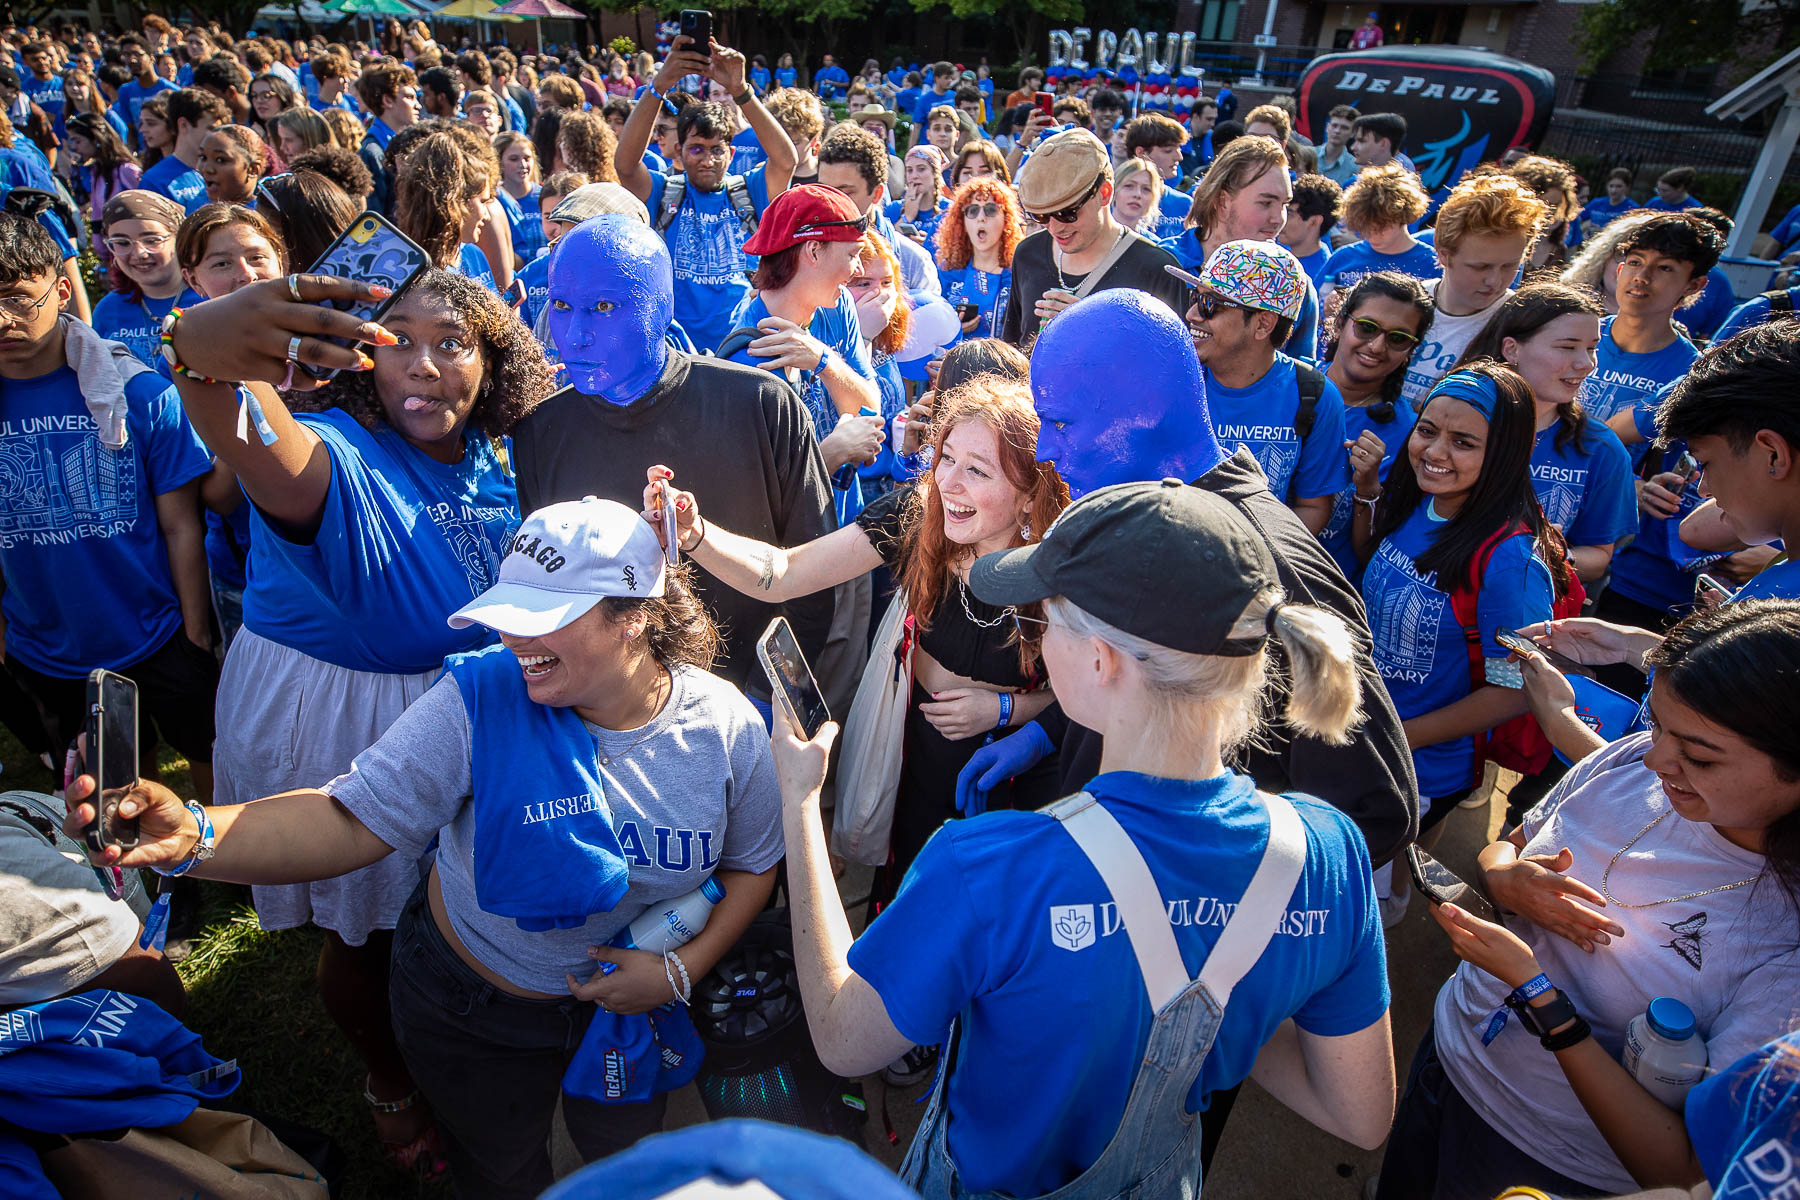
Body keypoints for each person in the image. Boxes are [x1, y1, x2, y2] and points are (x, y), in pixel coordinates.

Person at [67, 496, 782, 1199]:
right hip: (478, 1013)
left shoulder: (723, 729)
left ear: (634, 617)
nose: (514, 640)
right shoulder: (480, 701)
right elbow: (347, 821)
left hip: (636, 1014)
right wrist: (194, 833)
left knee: (624, 1158)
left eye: (543, 617)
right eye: (508, 613)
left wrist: (679, 972)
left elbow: (754, 865)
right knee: (500, 1172)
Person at [771, 476, 1395, 1198]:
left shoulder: (990, 869)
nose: (1034, 633)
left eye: (1045, 616)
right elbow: (1360, 1114)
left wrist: (801, 800)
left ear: (1102, 659)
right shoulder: (1328, 855)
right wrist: (1225, 986)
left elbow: (842, 1037)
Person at [153, 266, 553, 1176]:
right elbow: (254, 436)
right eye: (397, 339)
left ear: (492, 362)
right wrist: (201, 349)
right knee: (367, 932)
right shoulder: (340, 454)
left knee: (455, 910)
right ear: (360, 357)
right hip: (349, 715)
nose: (424, 364)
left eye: (453, 343)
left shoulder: (495, 456)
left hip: (463, 710)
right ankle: (389, 1080)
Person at [1379, 600, 1800, 1200]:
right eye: (1657, 725)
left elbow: (1681, 1170)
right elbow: (1506, 846)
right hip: (1450, 1051)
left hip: (1548, 1160)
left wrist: (1539, 994)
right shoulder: (1630, 762)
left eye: (1699, 756)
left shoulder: (1787, 938)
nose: (1656, 759)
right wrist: (1506, 880)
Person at [515, 214, 837, 702]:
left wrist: (766, 697)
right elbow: (548, 587)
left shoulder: (761, 405)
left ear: (663, 307)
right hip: (601, 714)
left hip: (747, 702)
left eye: (603, 307)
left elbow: (815, 579)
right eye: (561, 305)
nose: (575, 334)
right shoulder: (539, 430)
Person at [0, 214, 218, 805]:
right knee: (105, 785)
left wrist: (195, 631)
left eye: (16, 298)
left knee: (206, 757)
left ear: (60, 291)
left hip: (157, 631)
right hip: (47, 645)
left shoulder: (139, 392)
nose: (3, 320)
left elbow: (180, 523)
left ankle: (214, 856)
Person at [1356, 363, 1569, 862]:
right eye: (1427, 431)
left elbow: (1516, 691)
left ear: (1505, 454)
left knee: (1377, 880)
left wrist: (1400, 737)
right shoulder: (1420, 497)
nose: (1435, 452)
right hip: (1363, 736)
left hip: (1420, 769)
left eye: (1463, 442)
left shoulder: (1510, 562)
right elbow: (1372, 561)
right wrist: (1367, 490)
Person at [615, 34, 796, 353]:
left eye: (717, 150)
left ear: (731, 153)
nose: (707, 160)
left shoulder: (748, 191)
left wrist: (741, 91)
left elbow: (786, 160)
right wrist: (659, 86)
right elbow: (625, 165)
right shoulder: (664, 192)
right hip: (676, 348)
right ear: (679, 151)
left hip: (740, 346)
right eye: (696, 148)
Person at [1458, 284, 1637, 587]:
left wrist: (1546, 555)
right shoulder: (1453, 418)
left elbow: (1598, 556)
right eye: (1567, 347)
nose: (1587, 364)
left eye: (1592, 348)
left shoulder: (1601, 448)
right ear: (1511, 349)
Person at [1177, 241, 1348, 532]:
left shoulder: (1314, 395)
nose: (1192, 313)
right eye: (1195, 297)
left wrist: (1252, 552)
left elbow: (1313, 507)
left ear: (1263, 324)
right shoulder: (1175, 379)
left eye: (1210, 304)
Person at [1000, 130, 1185, 347]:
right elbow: (1011, 350)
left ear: (1104, 193)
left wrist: (1092, 329)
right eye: (1041, 216)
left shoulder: (1157, 270)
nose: (1055, 228)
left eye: (1067, 213)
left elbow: (1173, 362)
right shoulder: (1028, 253)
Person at [1164, 136, 1322, 362]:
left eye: (1284, 205)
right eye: (1265, 203)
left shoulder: (1293, 286)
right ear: (1223, 201)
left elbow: (1294, 375)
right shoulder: (1161, 263)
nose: (1278, 219)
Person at [1319, 271, 1433, 580]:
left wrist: (1368, 487)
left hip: (1329, 592)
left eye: (1398, 338)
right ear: (1340, 323)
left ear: (1411, 351)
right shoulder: (1287, 385)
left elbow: (1374, 556)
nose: (1377, 346)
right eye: (1367, 327)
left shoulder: (1411, 434)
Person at [1399, 172, 1546, 409]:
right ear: (1443, 254)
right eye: (1480, 267)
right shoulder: (1402, 302)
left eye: (1509, 266)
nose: (1494, 281)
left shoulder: (1523, 324)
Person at [89, 190, 199, 374]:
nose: (139, 253)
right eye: (122, 243)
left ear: (179, 239)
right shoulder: (108, 309)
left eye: (151, 240)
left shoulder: (208, 297)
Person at [1318, 162, 1437, 308]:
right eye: (1365, 226)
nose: (1372, 234)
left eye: (1380, 226)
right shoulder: (1343, 258)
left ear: (1402, 216)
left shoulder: (1432, 263)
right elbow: (1309, 308)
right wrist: (1325, 310)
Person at [937, 175, 1024, 341]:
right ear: (962, 221)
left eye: (991, 209)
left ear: (1006, 218)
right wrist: (954, 330)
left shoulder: (1019, 275)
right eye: (972, 211)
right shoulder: (947, 272)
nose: (981, 217)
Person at [63, 111, 140, 262]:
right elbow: (98, 213)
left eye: (78, 141)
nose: (75, 147)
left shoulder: (126, 170)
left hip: (133, 249)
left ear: (96, 139)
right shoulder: (97, 171)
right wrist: (102, 252)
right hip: (113, 251)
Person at [139, 86, 224, 214]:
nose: (217, 136)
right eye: (211, 129)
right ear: (183, 125)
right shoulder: (155, 181)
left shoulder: (222, 171)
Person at [1122, 113, 1192, 239]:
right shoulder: (1114, 201)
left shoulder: (1185, 204)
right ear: (1141, 153)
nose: (1179, 157)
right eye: (1168, 151)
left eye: (1179, 149)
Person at [1277, 173, 1343, 286]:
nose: (1280, 219)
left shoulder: (1327, 275)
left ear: (1314, 222)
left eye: (1290, 213)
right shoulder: (1275, 256)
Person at [194, 123, 266, 206]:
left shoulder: (267, 212)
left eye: (220, 160)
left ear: (253, 169)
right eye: (203, 157)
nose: (207, 169)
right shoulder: (192, 206)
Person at [1579, 167, 1638, 240]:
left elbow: (1632, 233)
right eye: (1611, 186)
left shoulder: (1633, 208)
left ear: (1627, 187)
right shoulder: (1596, 203)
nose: (1613, 190)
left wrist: (1604, 232)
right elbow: (1577, 220)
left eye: (1619, 186)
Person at [1317, 104, 1360, 187]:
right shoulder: (1308, 156)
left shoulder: (1354, 167)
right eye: (1334, 125)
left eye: (1344, 128)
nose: (1337, 131)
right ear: (1327, 127)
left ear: (1353, 133)